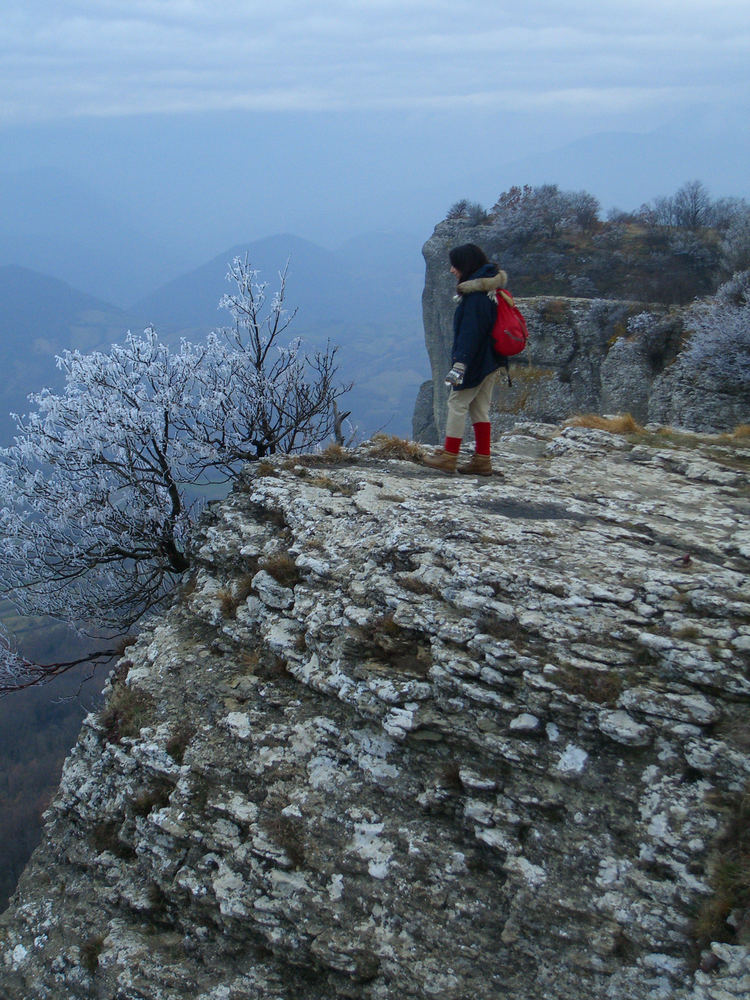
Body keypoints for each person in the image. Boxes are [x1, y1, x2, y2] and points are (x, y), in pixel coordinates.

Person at [423, 243, 507, 475]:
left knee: (456, 403)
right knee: (480, 410)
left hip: (475, 362)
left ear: (466, 266)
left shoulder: (475, 297)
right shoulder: (490, 290)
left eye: (455, 265)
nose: (451, 270)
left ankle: (449, 457)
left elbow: (470, 334)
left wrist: (460, 364)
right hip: (491, 360)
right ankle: (482, 460)